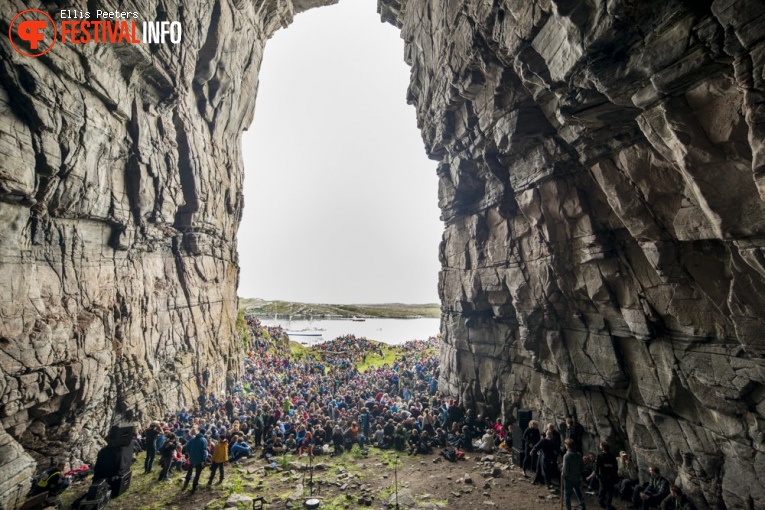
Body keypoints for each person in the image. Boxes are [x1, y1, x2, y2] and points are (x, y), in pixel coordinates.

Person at [562, 439, 586, 510]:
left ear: (567, 446)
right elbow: (582, 467)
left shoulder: (566, 456)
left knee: (567, 495)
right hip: (577, 478)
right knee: (579, 493)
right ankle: (583, 507)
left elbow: (566, 469)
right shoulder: (578, 455)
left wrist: (563, 475)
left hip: (569, 479)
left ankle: (568, 509)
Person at [595, 441, 618, 510]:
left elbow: (597, 466)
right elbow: (615, 466)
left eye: (600, 445)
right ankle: (608, 504)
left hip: (603, 475)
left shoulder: (599, 455)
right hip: (610, 475)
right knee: (609, 490)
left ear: (603, 447)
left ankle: (601, 502)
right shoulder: (612, 455)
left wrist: (597, 473)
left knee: (602, 489)